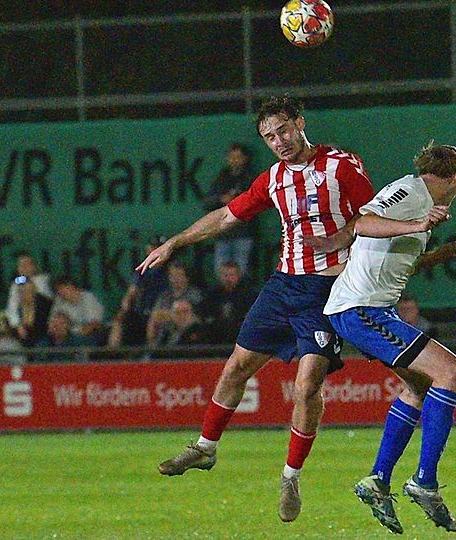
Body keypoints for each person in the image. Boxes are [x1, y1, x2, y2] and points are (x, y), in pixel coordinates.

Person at [144, 95, 374, 523]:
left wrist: (344, 244)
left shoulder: (342, 166)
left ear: (300, 123)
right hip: (283, 285)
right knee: (236, 367)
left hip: (328, 292)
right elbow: (226, 217)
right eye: (269, 136)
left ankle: (291, 477)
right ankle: (205, 448)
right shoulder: (273, 178)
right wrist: (175, 241)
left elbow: (372, 218)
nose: (279, 141)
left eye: (283, 130)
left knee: (306, 386)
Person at [316, 142, 456, 534]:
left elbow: (396, 263)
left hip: (369, 309)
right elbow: (363, 224)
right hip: (360, 310)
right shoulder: (408, 192)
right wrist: (418, 225)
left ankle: (378, 480)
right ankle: (424, 482)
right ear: (454, 178)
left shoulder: (418, 205)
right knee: (451, 373)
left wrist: (443, 252)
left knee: (419, 388)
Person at [204, 143, 258, 279]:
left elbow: (255, 202)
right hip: (223, 234)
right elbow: (208, 201)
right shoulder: (222, 178)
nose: (234, 160)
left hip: (243, 234)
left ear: (245, 158)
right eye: (232, 157)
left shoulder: (250, 178)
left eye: (238, 157)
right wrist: (221, 199)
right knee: (220, 275)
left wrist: (236, 200)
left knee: (241, 275)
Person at [200, 261, 257, 345]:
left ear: (238, 276)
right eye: (225, 275)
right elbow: (203, 312)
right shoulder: (213, 293)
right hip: (215, 334)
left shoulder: (248, 294)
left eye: (232, 275)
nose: (228, 279)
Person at [49, 276, 106, 344]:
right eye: (58, 290)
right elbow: (52, 322)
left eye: (63, 288)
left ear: (72, 286)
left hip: (91, 334)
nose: (61, 292)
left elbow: (94, 324)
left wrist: (74, 332)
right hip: (66, 334)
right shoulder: (59, 301)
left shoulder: (88, 298)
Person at [4, 252, 53, 328]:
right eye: (21, 265)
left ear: (34, 266)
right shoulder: (15, 284)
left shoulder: (43, 279)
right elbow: (12, 308)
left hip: (42, 323)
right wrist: (17, 326)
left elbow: (42, 303)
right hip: (22, 325)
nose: (24, 267)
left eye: (27, 264)